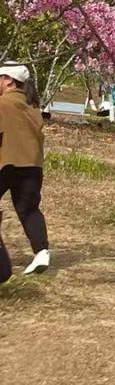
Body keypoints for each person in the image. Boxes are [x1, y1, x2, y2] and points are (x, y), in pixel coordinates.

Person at [0, 63, 50, 280]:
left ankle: (2, 267)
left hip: (6, 163)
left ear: (9, 80)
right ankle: (41, 252)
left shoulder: (2, 104)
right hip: (32, 165)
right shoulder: (32, 107)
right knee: (29, 209)